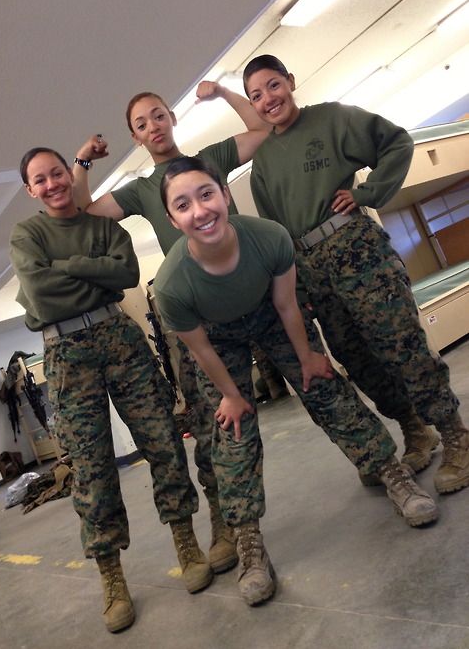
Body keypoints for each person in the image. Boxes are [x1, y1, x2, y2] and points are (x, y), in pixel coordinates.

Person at [152, 156, 438, 605]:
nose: (200, 211)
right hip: (218, 338)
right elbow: (200, 349)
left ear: (224, 195)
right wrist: (231, 395)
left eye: (206, 194)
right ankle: (249, 543)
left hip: (270, 313)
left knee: (324, 386)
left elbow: (287, 306)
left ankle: (392, 473)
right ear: (172, 219)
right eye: (183, 205)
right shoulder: (172, 284)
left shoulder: (268, 238)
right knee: (233, 430)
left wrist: (306, 357)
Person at [71, 84, 282, 578]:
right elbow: (85, 209)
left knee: (312, 380)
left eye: (159, 116)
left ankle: (374, 460)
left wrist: (225, 91)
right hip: (194, 317)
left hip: (252, 292)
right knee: (214, 424)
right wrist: (84, 159)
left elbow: (261, 130)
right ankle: (226, 523)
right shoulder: (143, 189)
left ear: (172, 118)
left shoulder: (209, 160)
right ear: (136, 136)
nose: (153, 127)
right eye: (142, 123)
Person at [242, 54, 469, 494]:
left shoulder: (331, 119)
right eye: (256, 95)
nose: (268, 99)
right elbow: (279, 237)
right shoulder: (262, 164)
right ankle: (414, 428)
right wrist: (298, 288)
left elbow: (397, 143)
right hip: (313, 271)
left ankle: (456, 434)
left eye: (273, 86)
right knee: (357, 359)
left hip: (359, 252)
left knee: (402, 346)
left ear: (290, 81)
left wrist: (367, 192)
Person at [10, 148, 214, 634]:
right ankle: (112, 578)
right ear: (30, 190)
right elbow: (39, 294)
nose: (53, 183)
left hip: (119, 338)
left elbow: (125, 276)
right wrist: (90, 270)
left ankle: (186, 542)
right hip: (65, 355)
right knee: (90, 467)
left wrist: (68, 268)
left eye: (58, 173)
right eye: (41, 180)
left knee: (163, 442)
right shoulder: (27, 235)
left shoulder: (106, 228)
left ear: (68, 174)